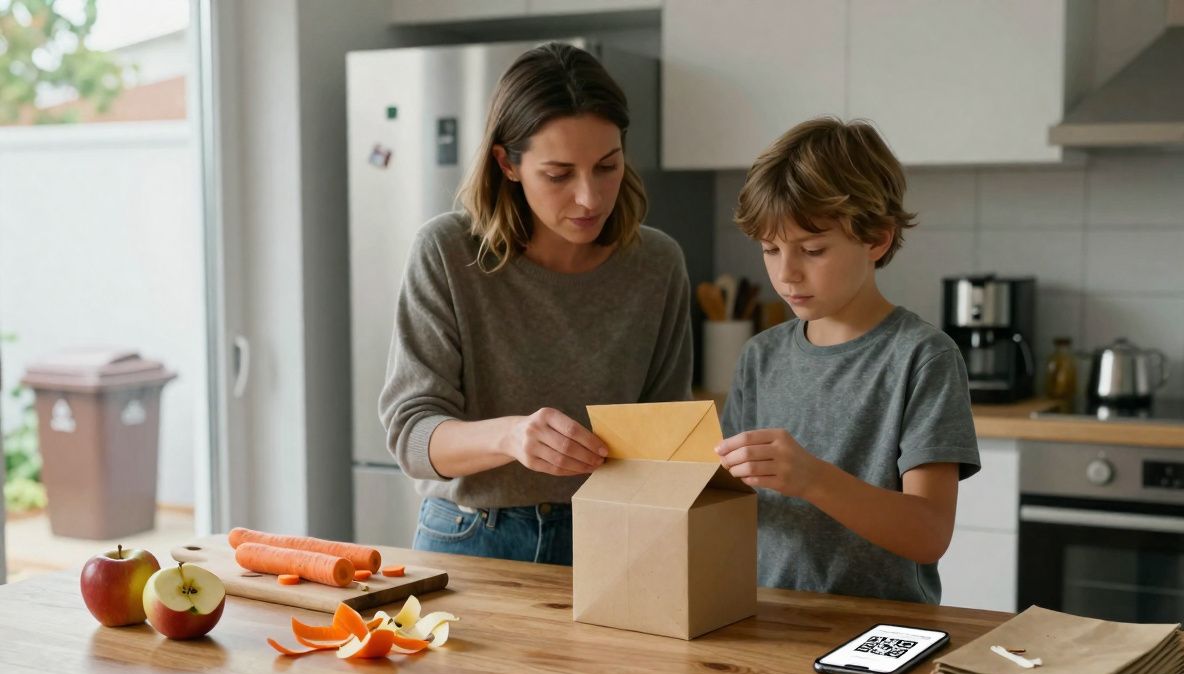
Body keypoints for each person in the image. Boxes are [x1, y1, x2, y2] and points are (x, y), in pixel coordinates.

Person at [379, 43, 693, 565]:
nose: (590, 197)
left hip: (612, 535)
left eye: (607, 166)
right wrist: (510, 436)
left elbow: (668, 437)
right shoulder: (447, 252)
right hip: (471, 537)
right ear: (507, 163)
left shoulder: (657, 264)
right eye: (559, 174)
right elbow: (412, 436)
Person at [715, 117, 980, 603]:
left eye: (812, 250)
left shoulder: (922, 358)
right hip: (769, 620)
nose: (786, 273)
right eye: (770, 250)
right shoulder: (760, 356)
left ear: (876, 239)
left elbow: (929, 533)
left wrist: (813, 479)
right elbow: (732, 505)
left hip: (883, 631)